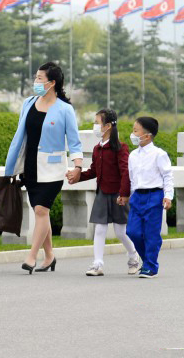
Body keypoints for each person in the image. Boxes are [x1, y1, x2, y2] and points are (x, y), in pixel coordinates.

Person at [5, 62, 82, 274]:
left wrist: (77, 166)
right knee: (40, 212)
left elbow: (74, 142)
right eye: (36, 77)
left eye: (40, 78)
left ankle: (31, 256)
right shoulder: (28, 103)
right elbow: (22, 136)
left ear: (52, 83)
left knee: (41, 209)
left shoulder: (65, 109)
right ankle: (49, 256)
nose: (36, 82)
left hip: (54, 169)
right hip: (30, 166)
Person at [66, 108, 141, 276]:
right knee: (99, 229)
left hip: (118, 196)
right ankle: (97, 264)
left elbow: (125, 173)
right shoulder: (96, 149)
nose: (95, 126)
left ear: (107, 126)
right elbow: (94, 171)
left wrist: (124, 194)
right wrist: (77, 177)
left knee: (121, 232)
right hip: (102, 193)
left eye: (97, 123)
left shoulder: (120, 148)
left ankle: (133, 256)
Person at [126, 116, 174, 278]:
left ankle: (150, 266)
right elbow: (132, 178)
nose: (132, 134)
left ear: (147, 135)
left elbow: (167, 176)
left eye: (135, 131)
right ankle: (147, 260)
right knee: (132, 231)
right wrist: (127, 195)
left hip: (154, 196)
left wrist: (168, 196)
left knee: (151, 234)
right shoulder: (133, 155)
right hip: (137, 196)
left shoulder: (159, 154)